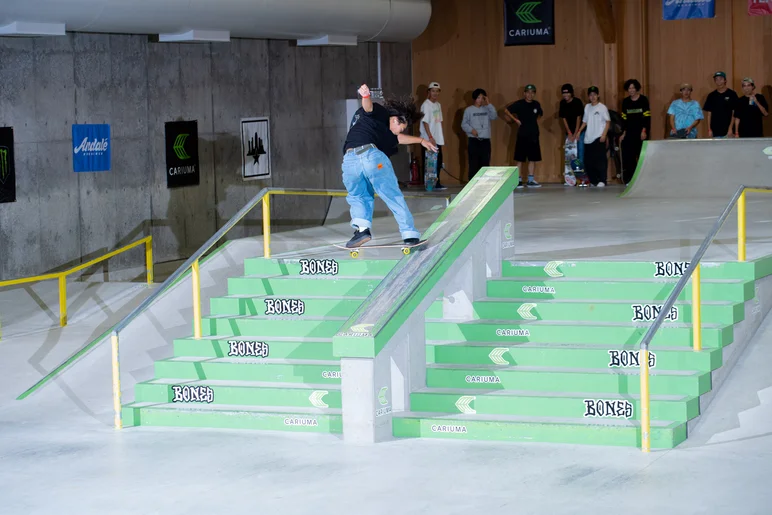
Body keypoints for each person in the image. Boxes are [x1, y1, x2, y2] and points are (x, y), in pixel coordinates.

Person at [341, 83, 438, 248]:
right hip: (371, 156)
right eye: (401, 127)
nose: (399, 131)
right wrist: (365, 96)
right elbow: (368, 107)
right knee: (392, 195)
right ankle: (409, 235)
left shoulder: (380, 128)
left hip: (349, 161)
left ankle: (362, 230)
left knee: (358, 196)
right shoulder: (382, 113)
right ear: (395, 118)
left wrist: (421, 140)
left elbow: (398, 139)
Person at [505, 84, 543, 189]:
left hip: (534, 135)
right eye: (528, 92)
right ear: (524, 93)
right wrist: (515, 120)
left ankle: (530, 180)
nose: (530, 94)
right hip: (522, 134)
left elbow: (539, 114)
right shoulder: (519, 104)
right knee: (520, 158)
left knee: (533, 158)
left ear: (534, 94)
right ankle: (518, 180)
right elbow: (506, 110)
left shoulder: (536, 104)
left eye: (532, 92)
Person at [461, 88, 498, 180]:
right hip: (474, 140)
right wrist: (471, 130)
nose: (480, 100)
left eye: (482, 98)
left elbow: (494, 116)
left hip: (485, 141)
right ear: (474, 98)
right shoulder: (468, 110)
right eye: (478, 98)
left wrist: (489, 104)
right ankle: (472, 184)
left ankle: (484, 184)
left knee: (485, 164)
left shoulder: (487, 109)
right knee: (473, 164)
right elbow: (463, 124)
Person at [577, 86, 610, 188]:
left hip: (599, 137)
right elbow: (585, 121)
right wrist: (579, 131)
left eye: (594, 95)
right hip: (588, 138)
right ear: (588, 96)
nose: (593, 97)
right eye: (591, 95)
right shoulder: (587, 107)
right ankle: (593, 180)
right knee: (589, 162)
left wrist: (604, 134)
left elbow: (608, 121)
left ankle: (602, 180)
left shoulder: (602, 107)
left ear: (598, 95)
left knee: (600, 161)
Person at [619, 79, 651, 184]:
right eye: (629, 88)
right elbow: (624, 119)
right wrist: (623, 133)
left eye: (633, 88)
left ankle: (644, 179)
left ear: (636, 88)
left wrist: (644, 131)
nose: (631, 90)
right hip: (629, 133)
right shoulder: (625, 102)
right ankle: (631, 179)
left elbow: (647, 117)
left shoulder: (643, 100)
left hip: (641, 133)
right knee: (629, 157)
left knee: (642, 156)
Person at [419, 81, 448, 190]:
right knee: (429, 163)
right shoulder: (426, 105)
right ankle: (429, 184)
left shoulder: (438, 105)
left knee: (438, 161)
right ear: (429, 92)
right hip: (428, 139)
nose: (435, 93)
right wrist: (430, 137)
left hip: (437, 138)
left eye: (437, 91)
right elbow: (425, 122)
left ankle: (437, 182)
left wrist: (436, 137)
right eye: (433, 91)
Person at [559, 83, 585, 176]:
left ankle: (580, 176)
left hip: (579, 132)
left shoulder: (577, 102)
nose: (565, 95)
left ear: (571, 93)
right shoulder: (562, 103)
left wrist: (576, 133)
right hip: (569, 133)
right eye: (564, 93)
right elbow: (563, 118)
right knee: (570, 155)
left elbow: (579, 118)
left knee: (580, 152)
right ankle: (570, 176)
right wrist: (569, 132)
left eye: (567, 93)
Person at [703, 71, 738, 139]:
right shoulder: (711, 95)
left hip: (728, 131)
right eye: (717, 79)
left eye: (721, 79)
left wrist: (730, 128)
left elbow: (735, 113)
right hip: (715, 131)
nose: (719, 81)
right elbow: (709, 114)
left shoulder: (732, 94)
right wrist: (709, 129)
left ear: (725, 80)